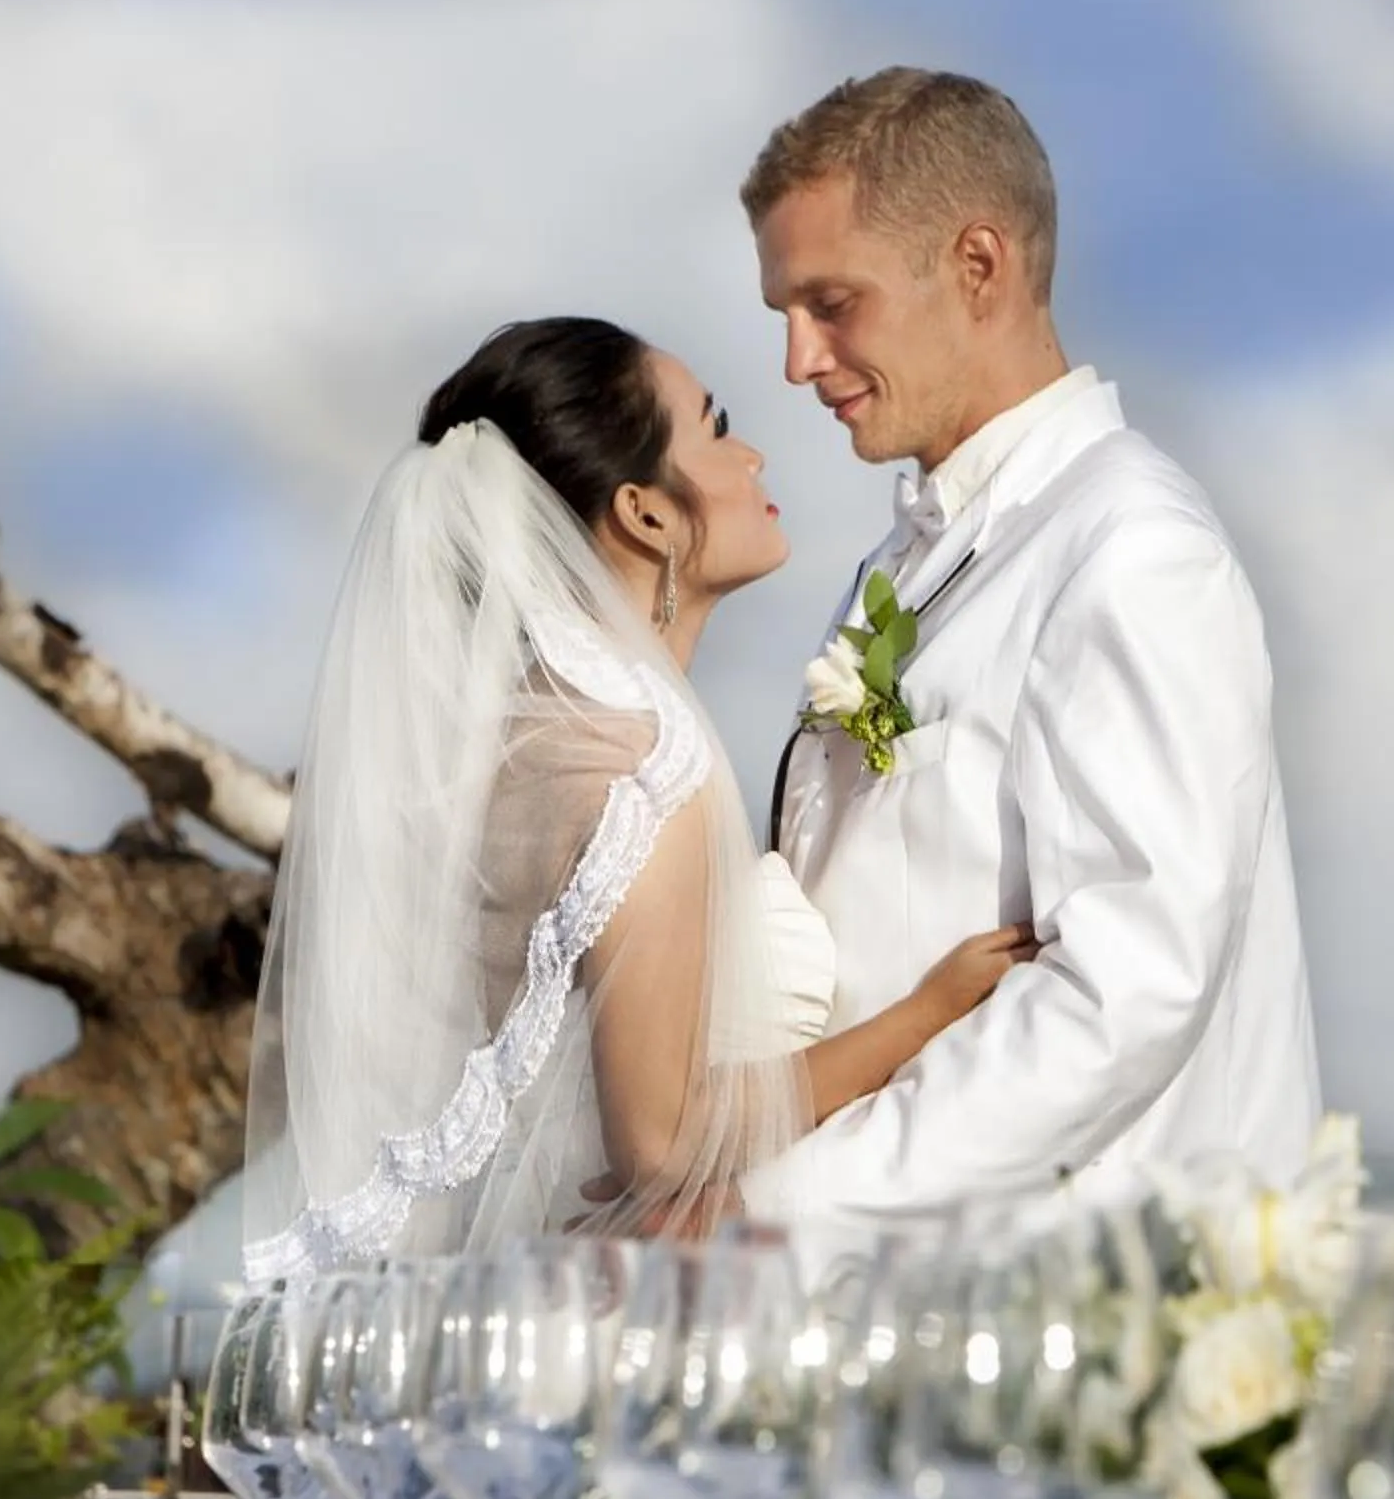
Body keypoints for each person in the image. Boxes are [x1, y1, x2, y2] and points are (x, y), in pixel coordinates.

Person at [238, 317, 1030, 1285]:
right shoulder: (644, 756)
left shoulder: (519, 737)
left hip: (511, 1282)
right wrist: (921, 1017)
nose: (752, 455)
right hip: (636, 1311)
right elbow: (661, 1134)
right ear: (646, 514)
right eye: (717, 424)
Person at [741, 68, 1323, 1277]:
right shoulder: (910, 560)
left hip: (1077, 1321)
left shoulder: (1132, 548)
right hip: (891, 1319)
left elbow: (1127, 988)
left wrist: (780, 1217)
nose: (799, 359)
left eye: (831, 303)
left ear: (978, 266)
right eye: (786, 314)